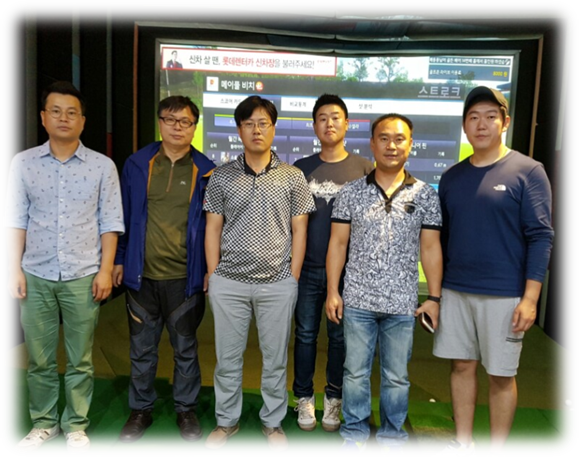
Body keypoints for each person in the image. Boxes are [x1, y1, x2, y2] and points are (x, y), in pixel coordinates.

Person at [432, 87, 554, 457]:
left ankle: (496, 451)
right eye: (473, 117)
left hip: (505, 293)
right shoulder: (451, 177)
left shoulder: (528, 171)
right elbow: (442, 239)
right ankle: (463, 445)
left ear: (505, 122)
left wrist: (530, 298)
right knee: (461, 366)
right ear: (464, 126)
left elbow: (541, 236)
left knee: (501, 374)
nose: (481, 124)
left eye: (490, 116)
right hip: (456, 290)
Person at [5, 81, 124, 454]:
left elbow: (110, 222)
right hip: (35, 274)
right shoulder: (23, 163)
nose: (63, 118)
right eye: (55, 111)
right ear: (43, 117)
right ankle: (44, 422)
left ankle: (75, 424)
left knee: (80, 358)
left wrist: (105, 270)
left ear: (83, 121)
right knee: (39, 358)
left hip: (83, 275)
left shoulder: (102, 166)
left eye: (72, 113)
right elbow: (15, 219)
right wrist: (14, 268)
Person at [203, 95, 316, 452]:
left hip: (277, 284)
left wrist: (292, 276)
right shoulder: (222, 176)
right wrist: (213, 275)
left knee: (275, 360)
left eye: (263, 123)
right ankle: (226, 420)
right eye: (249, 123)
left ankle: (272, 421)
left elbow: (300, 230)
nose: (256, 130)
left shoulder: (292, 176)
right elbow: (212, 229)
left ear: (273, 128)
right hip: (229, 283)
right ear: (239, 130)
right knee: (227, 360)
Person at [326, 114, 442, 456]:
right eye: (384, 138)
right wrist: (333, 291)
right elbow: (338, 244)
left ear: (410, 144)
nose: (392, 145)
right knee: (354, 373)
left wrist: (434, 297)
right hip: (357, 300)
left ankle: (392, 440)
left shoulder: (426, 195)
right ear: (372, 144)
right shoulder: (350, 192)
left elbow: (431, 248)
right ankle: (354, 435)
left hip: (402, 304)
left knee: (396, 377)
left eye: (399, 139)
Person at [113, 96, 215, 444]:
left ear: (194, 127)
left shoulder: (207, 170)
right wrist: (119, 260)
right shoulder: (138, 164)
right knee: (142, 349)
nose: (177, 127)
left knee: (185, 348)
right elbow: (123, 217)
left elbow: (214, 227)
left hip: (185, 279)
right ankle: (141, 409)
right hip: (142, 276)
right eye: (170, 119)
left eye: (185, 121)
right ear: (159, 122)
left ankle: (186, 409)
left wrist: (209, 269)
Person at [292, 94, 373, 432]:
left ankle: (334, 397)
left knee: (340, 339)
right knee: (305, 335)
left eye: (336, 117)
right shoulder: (300, 168)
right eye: (322, 118)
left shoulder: (365, 168)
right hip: (307, 269)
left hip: (347, 273)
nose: (329, 123)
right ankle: (303, 397)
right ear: (314, 125)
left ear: (347, 124)